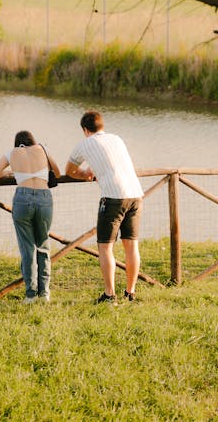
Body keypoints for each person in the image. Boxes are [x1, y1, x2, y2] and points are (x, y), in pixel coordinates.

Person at [66, 110, 143, 304]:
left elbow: (69, 171)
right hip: (135, 194)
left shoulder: (84, 144)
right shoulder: (117, 139)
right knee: (131, 246)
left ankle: (110, 294)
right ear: (102, 126)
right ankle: (130, 292)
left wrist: (85, 173)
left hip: (113, 197)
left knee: (105, 247)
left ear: (85, 130)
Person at [0, 130, 60, 303]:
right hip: (43, 196)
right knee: (43, 244)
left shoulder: (12, 153)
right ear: (33, 141)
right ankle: (45, 294)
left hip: (22, 198)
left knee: (27, 248)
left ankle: (30, 294)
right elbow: (57, 171)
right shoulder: (43, 149)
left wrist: (8, 173)